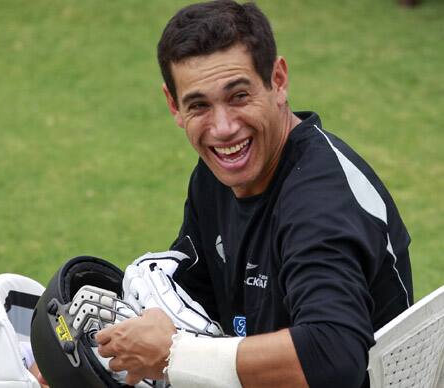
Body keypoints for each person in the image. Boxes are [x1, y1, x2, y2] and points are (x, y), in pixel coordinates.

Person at [94, 1, 413, 388]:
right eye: (199, 105)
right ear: (173, 106)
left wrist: (173, 354)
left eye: (239, 96)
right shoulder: (217, 178)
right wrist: (81, 352)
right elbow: (190, 291)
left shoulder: (322, 203)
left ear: (277, 81)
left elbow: (333, 356)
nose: (224, 128)